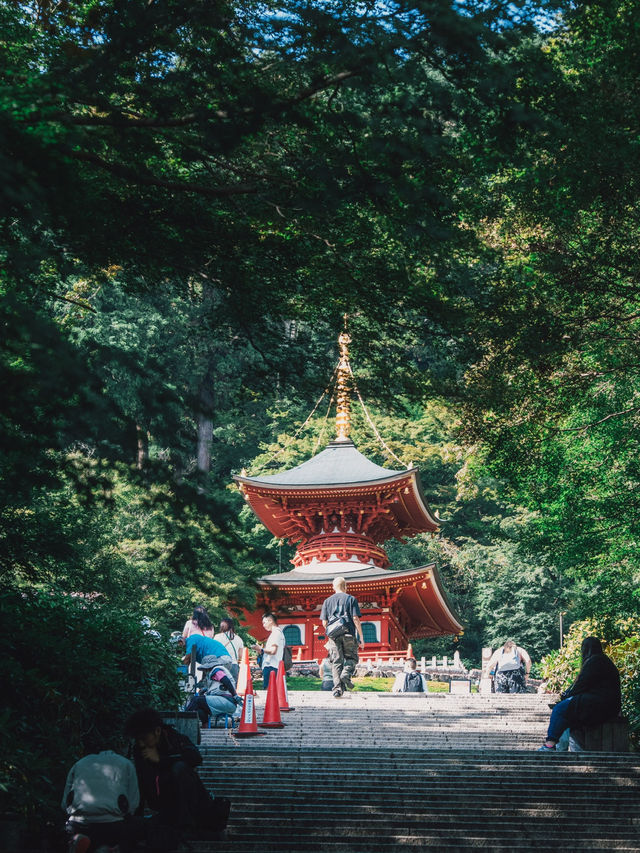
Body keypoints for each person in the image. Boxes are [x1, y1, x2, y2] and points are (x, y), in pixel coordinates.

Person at [125, 708, 216, 850]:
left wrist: (161, 760)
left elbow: (195, 757)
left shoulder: (175, 739)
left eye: (144, 738)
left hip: (192, 806)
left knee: (179, 767)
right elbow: (141, 781)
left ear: (157, 731)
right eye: (138, 739)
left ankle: (187, 826)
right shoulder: (140, 750)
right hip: (164, 806)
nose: (141, 743)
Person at [538, 636, 622, 752]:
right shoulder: (604, 661)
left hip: (599, 703)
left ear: (586, 649)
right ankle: (566, 748)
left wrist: (567, 696)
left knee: (559, 709)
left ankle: (550, 745)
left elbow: (581, 684)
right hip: (609, 705)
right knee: (569, 716)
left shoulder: (595, 661)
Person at [62, 748, 143, 853]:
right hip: (113, 825)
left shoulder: (79, 763)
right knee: (135, 830)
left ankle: (78, 839)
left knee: (83, 834)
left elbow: (65, 803)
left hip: (78, 823)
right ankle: (109, 848)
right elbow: (134, 802)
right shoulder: (126, 764)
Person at [320, 576, 364, 698]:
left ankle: (337, 689)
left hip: (333, 636)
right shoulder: (351, 599)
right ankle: (346, 673)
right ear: (345, 587)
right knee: (352, 658)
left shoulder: (327, 601)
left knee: (336, 662)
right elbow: (355, 618)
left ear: (333, 587)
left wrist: (331, 632)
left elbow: (324, 622)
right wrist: (361, 637)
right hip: (349, 633)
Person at [187, 655, 243, 725]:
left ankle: (183, 719)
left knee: (196, 700)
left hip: (227, 701)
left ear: (208, 667)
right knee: (199, 708)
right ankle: (205, 725)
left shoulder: (216, 671)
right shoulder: (213, 675)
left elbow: (226, 681)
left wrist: (235, 695)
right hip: (224, 702)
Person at [252, 613, 285, 690]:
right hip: (273, 665)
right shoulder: (277, 633)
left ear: (270, 621)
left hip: (271, 666)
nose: (263, 625)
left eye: (264, 622)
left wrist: (260, 649)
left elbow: (273, 651)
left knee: (269, 691)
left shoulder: (276, 633)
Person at [213, 617, 244, 683]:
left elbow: (214, 651)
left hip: (221, 664)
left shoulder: (217, 637)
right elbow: (241, 655)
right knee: (233, 686)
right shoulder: (239, 638)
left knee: (221, 685)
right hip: (234, 665)